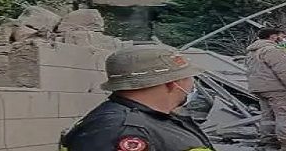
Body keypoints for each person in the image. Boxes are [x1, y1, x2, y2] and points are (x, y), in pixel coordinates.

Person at [59, 44, 214, 151]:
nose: (193, 84)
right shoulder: (125, 130)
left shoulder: (155, 121)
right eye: (189, 77)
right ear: (172, 83)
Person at [246, 28, 286, 151]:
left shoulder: (252, 51)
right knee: (285, 116)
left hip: (260, 88)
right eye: (281, 36)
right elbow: (285, 69)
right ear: (273, 36)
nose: (283, 39)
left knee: (268, 116)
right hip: (277, 89)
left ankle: (268, 141)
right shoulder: (272, 50)